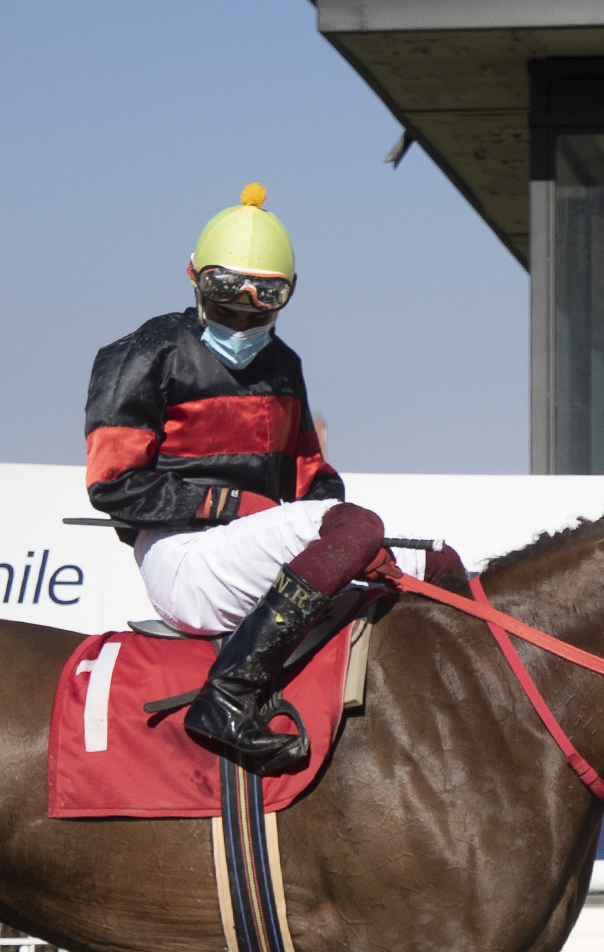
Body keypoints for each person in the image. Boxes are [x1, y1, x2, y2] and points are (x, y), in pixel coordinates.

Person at [83, 183, 404, 774]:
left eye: (258, 315)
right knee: (358, 526)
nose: (241, 325)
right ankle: (227, 694)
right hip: (181, 557)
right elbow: (112, 484)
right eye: (226, 311)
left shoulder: (285, 367)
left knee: (417, 570)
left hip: (249, 553)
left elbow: (314, 484)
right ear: (192, 278)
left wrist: (350, 550)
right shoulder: (143, 352)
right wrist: (232, 504)